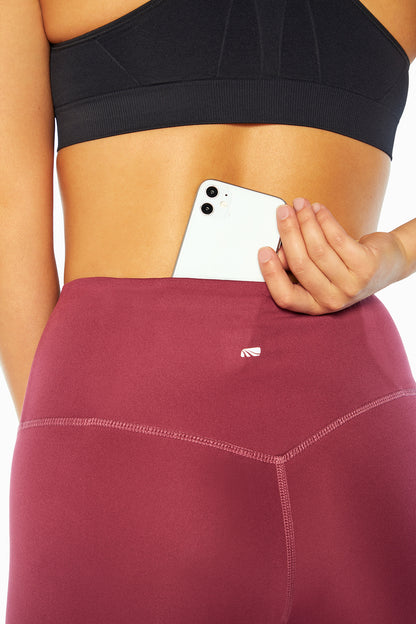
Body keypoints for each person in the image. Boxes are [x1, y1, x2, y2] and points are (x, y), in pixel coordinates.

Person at [1, 1, 415, 622]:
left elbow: (10, 212)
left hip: (123, 409)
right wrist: (393, 255)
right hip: (355, 409)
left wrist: (67, 434)